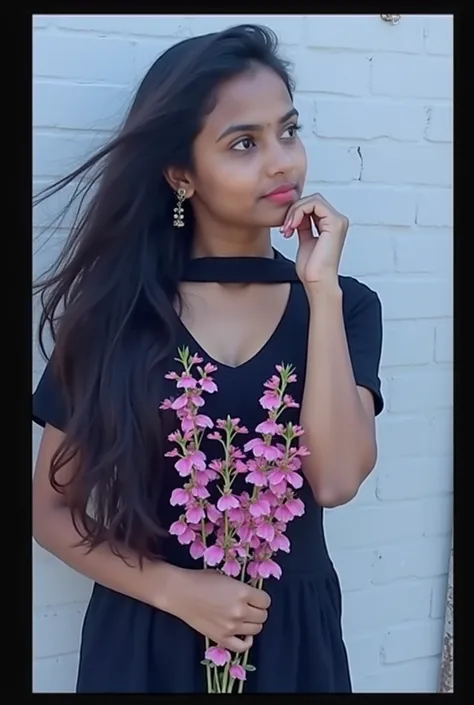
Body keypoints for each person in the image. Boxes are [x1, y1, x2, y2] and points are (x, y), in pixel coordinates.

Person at [32, 24, 384, 693]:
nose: (282, 161)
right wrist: (175, 588)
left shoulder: (345, 307)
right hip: (146, 636)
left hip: (289, 639)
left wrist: (321, 290)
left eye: (288, 130)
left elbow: (336, 480)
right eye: (244, 143)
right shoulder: (119, 312)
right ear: (180, 173)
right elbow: (49, 509)